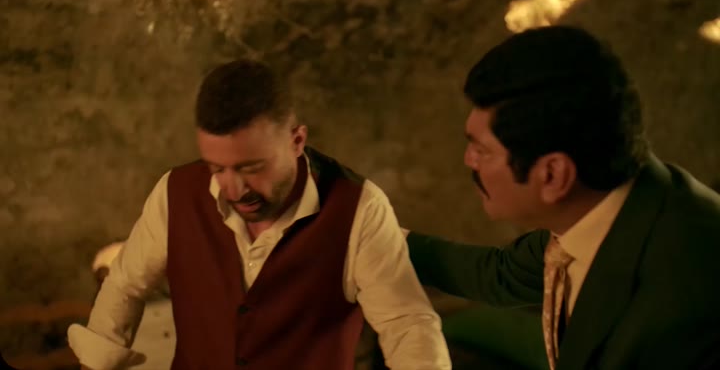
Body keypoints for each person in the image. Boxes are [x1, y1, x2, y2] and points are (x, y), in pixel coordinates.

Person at [67, 59, 451, 370]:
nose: (234, 189)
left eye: (251, 168)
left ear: (296, 141)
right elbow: (125, 286)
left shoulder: (359, 208)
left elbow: (407, 325)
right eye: (217, 168)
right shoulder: (175, 192)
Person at [406, 26, 720, 370]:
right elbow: (500, 274)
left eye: (481, 150)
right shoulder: (603, 208)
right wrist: (376, 234)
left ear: (553, 175)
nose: (469, 160)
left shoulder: (685, 296)